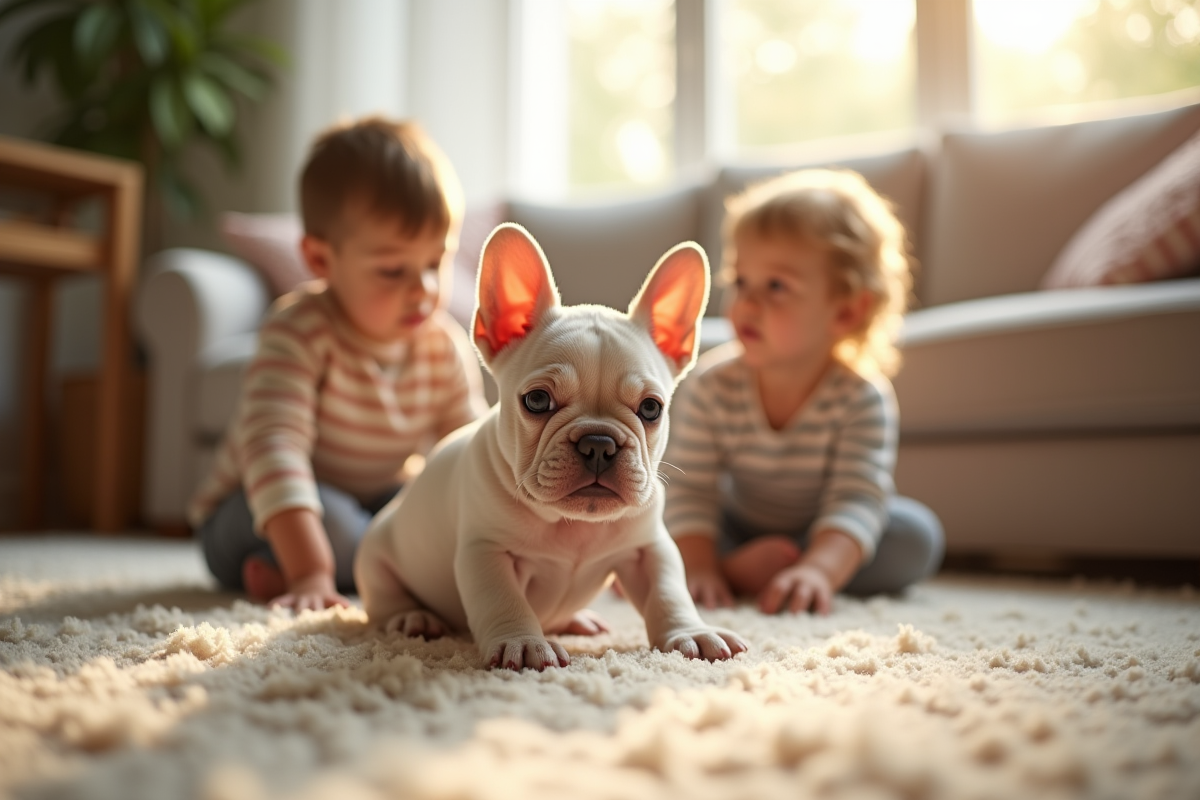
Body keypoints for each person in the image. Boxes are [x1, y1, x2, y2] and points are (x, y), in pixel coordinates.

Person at [188, 117, 488, 612]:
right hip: (251, 506)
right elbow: (274, 451)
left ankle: (299, 567)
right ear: (321, 260)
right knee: (352, 531)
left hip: (370, 496)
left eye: (435, 263)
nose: (424, 289)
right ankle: (296, 566)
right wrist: (312, 571)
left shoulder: (443, 347)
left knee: (411, 517)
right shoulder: (298, 332)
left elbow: (470, 453)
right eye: (393, 270)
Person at [663, 168, 943, 615]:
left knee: (916, 536)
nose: (747, 303)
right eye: (740, 281)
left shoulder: (862, 397)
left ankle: (789, 577)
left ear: (847, 311)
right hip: (732, 524)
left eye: (776, 286)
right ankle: (725, 570)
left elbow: (857, 496)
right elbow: (691, 490)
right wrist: (699, 562)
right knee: (654, 513)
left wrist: (819, 568)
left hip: (819, 532)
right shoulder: (711, 385)